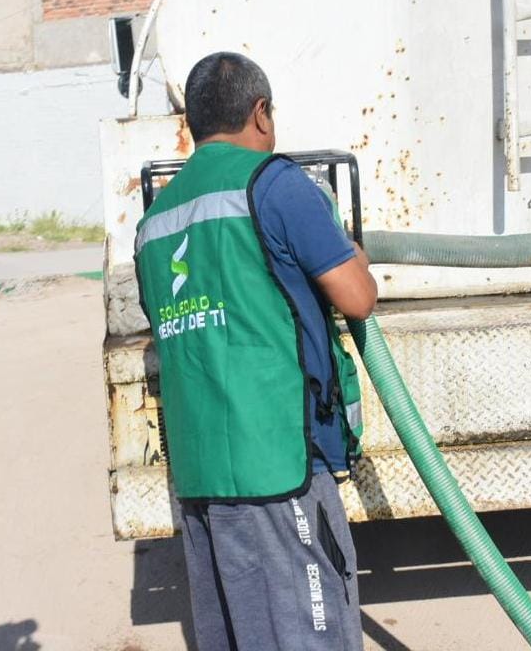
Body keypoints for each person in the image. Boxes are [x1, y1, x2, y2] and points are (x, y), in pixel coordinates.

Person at [133, 51, 377, 650]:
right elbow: (358, 297)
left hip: (199, 474)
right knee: (310, 634)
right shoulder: (275, 185)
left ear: (192, 122)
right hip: (278, 465)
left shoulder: (156, 221)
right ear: (260, 112)